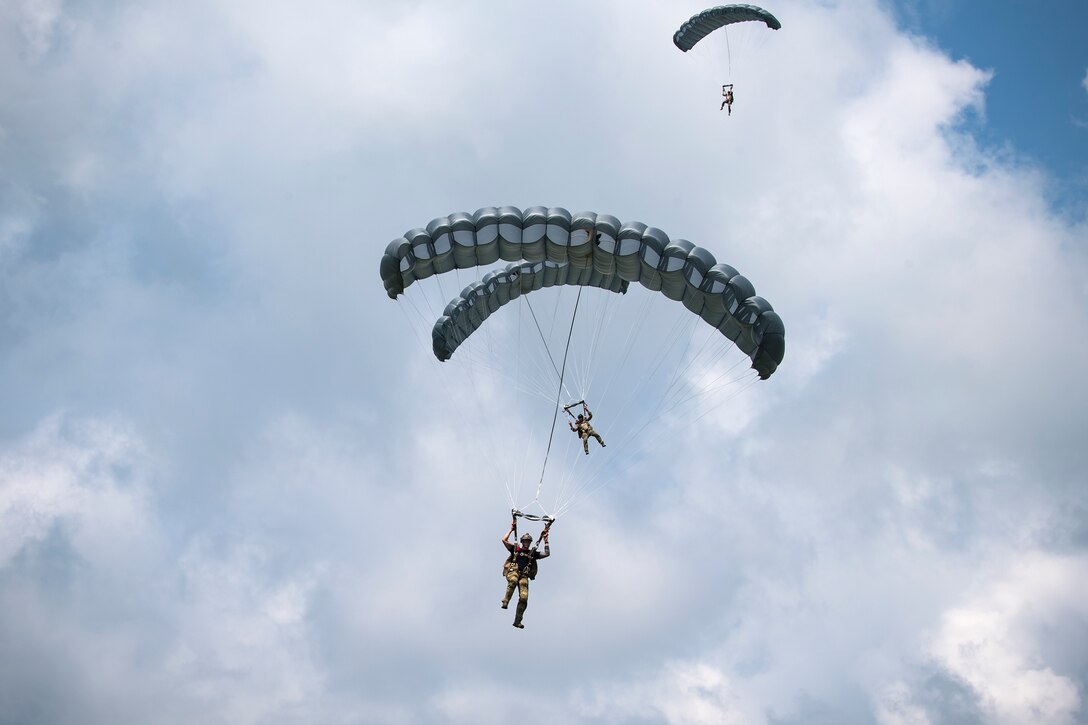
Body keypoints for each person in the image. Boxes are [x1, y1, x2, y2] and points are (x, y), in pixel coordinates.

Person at [501, 520, 550, 628]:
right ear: (522, 542)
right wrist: (511, 530)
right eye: (525, 541)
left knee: (524, 598)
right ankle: (506, 600)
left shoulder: (533, 553)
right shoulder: (516, 549)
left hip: (524, 576)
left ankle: (517, 620)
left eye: (528, 541)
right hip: (513, 572)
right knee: (513, 581)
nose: (526, 543)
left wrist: (546, 540)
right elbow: (504, 540)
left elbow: (547, 553)